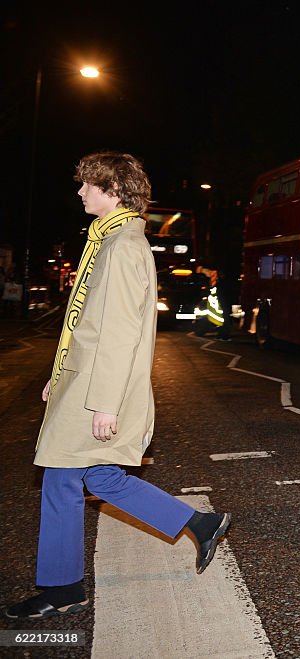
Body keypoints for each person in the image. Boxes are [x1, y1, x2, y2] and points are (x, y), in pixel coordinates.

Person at [5, 152, 230, 621]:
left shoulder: (123, 246)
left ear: (112, 190)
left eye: (88, 185)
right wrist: (60, 373)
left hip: (99, 393)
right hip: (84, 383)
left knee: (62, 479)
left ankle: (62, 587)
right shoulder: (108, 241)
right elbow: (88, 324)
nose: (81, 192)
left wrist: (105, 403)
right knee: (93, 477)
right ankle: (198, 523)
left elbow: (120, 330)